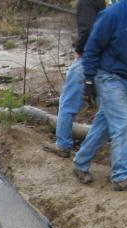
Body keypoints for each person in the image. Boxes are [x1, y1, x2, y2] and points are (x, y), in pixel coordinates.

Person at [71, 0, 127, 191]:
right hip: (108, 76)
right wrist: (89, 80)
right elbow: (92, 46)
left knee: (104, 125)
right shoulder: (114, 13)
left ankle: (80, 162)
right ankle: (122, 175)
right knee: (123, 123)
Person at [43, 0, 106, 158]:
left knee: (67, 103)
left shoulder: (86, 2)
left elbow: (87, 29)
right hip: (108, 61)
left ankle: (63, 145)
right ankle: (92, 150)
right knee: (108, 111)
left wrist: (78, 50)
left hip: (87, 59)